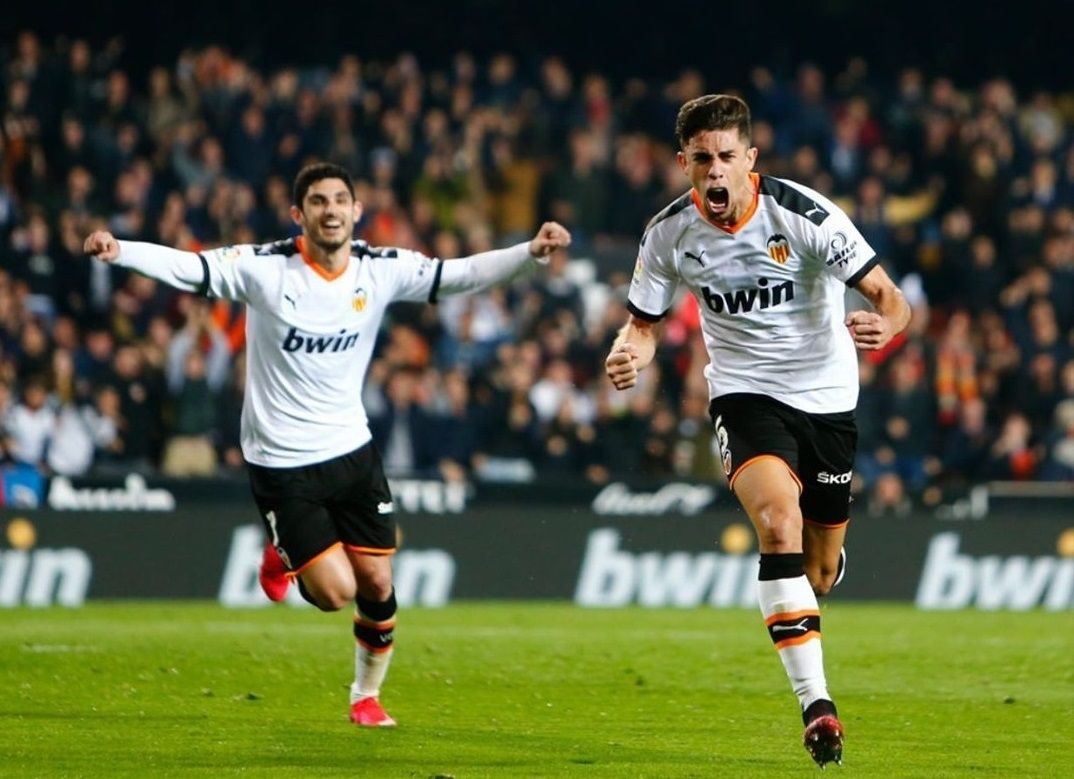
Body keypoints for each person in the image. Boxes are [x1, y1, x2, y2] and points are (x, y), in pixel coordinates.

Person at [84, 161, 570, 728]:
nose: (331, 210)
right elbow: (191, 268)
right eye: (318, 201)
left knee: (378, 582)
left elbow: (458, 274)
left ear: (357, 210)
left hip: (351, 450)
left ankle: (365, 696)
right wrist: (122, 251)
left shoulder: (379, 269)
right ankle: (285, 551)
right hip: (281, 461)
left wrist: (529, 253)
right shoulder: (266, 268)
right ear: (299, 214)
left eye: (340, 199)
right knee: (337, 593)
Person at [604, 95, 909, 767]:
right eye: (701, 158)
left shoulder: (805, 216)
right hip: (744, 396)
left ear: (750, 158)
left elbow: (892, 298)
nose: (715, 170)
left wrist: (886, 325)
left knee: (818, 572)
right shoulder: (668, 233)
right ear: (683, 162)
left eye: (726, 156)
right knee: (777, 521)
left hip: (827, 399)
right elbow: (643, 325)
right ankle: (816, 704)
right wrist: (631, 353)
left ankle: (819, 567)